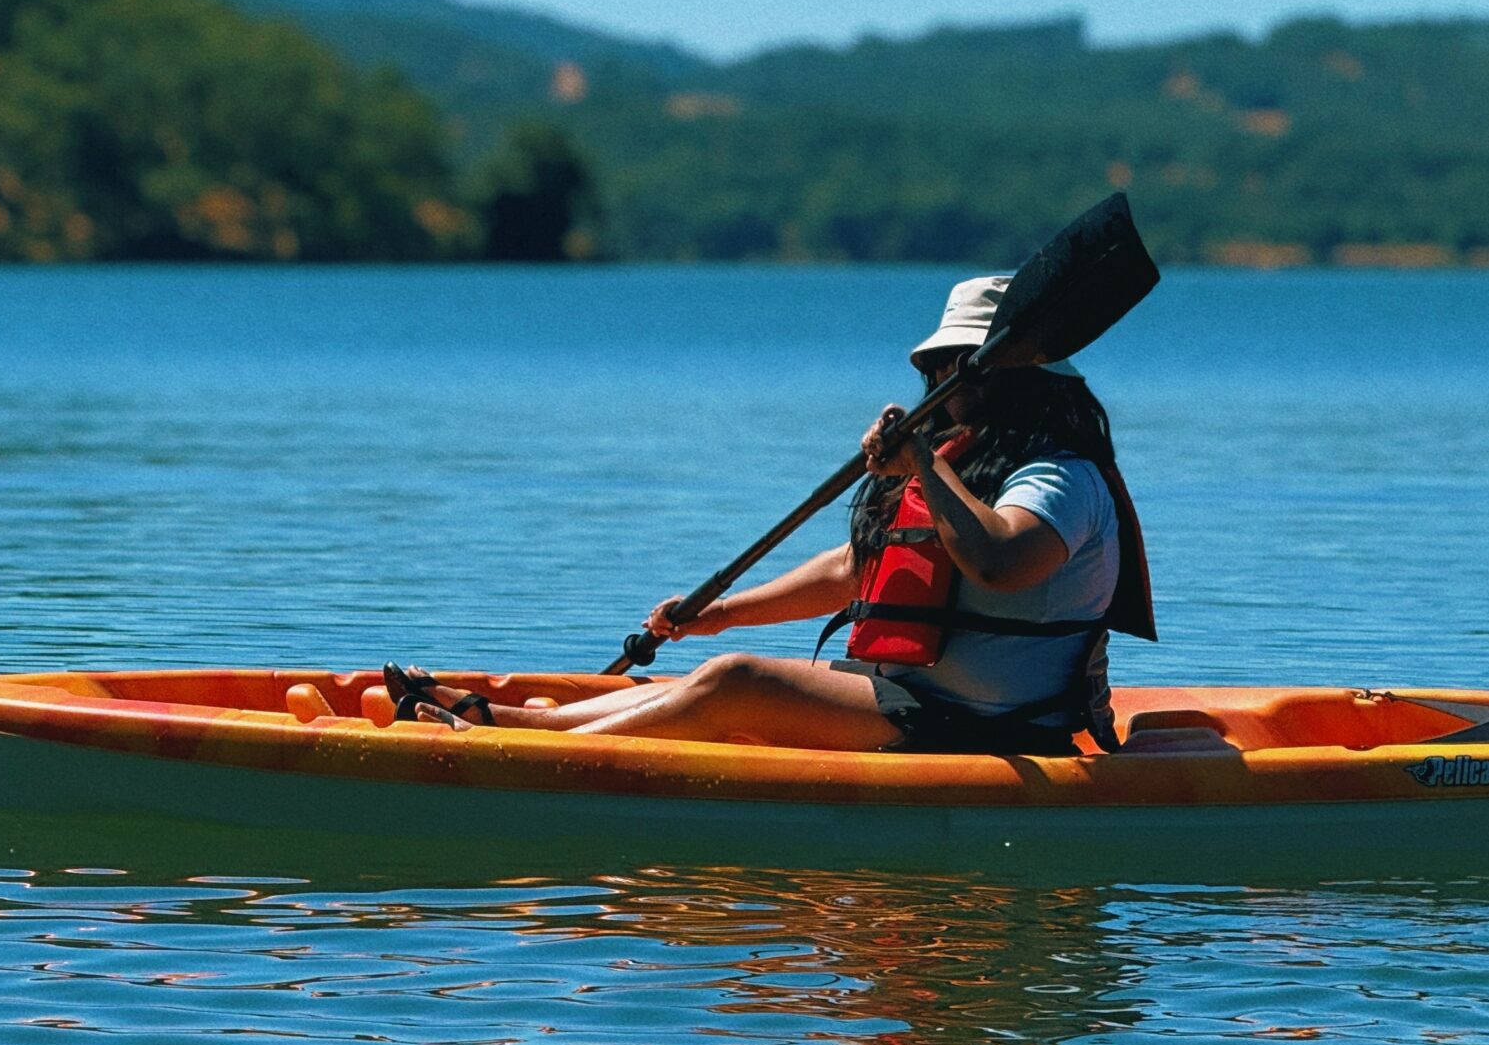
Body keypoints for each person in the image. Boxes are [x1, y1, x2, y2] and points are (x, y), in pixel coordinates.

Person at [392, 275, 1155, 753]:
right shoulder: (967, 466)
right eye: (931, 369)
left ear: (1010, 377)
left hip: (998, 725)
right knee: (698, 674)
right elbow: (859, 569)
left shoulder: (1061, 478)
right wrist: (722, 611)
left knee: (738, 681)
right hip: (922, 702)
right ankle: (526, 727)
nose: (935, 382)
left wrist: (918, 461)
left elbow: (1002, 561)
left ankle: (528, 750)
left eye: (948, 369)